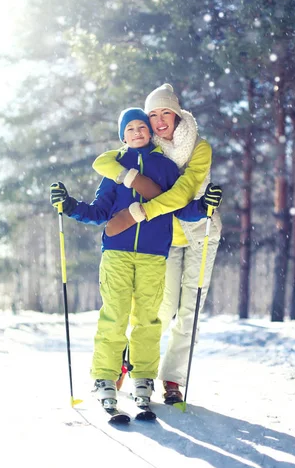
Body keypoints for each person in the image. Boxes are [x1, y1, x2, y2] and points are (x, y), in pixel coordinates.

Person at [49, 107, 210, 414]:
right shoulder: (115, 168)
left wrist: (204, 206)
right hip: (116, 253)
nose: (137, 132)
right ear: (122, 135)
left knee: (149, 319)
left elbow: (180, 207)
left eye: (142, 127)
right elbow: (99, 212)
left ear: (150, 132)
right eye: (130, 129)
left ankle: (143, 377)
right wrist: (69, 205)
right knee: (115, 314)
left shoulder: (164, 167)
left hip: (153, 255)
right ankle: (105, 377)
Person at [92, 84, 222, 404]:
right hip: (164, 238)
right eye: (153, 114)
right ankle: (133, 361)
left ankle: (174, 379)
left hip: (200, 231)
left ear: (177, 114)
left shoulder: (199, 147)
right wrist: (132, 179)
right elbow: (107, 161)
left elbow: (183, 191)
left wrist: (139, 213)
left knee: (190, 310)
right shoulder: (149, 149)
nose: (160, 119)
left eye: (166, 112)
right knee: (160, 310)